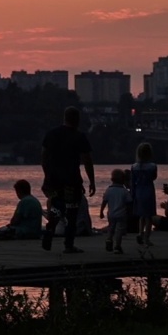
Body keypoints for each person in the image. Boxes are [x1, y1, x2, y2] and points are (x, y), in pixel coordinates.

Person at [41, 107, 96, 254]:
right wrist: (92, 181)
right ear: (77, 120)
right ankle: (68, 245)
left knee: (57, 206)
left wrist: (47, 176)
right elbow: (87, 160)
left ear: (64, 118)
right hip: (72, 180)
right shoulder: (79, 137)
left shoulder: (51, 134)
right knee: (72, 213)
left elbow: (44, 157)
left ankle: (51, 225)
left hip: (54, 179)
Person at [130, 143, 158, 247]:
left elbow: (132, 182)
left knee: (141, 215)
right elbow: (154, 177)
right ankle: (147, 238)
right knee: (149, 216)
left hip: (139, 191)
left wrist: (132, 194)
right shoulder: (153, 166)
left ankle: (140, 233)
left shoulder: (134, 167)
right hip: (149, 190)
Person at [100, 169, 131, 254]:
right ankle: (117, 246)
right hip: (121, 214)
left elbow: (104, 201)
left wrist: (101, 211)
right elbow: (129, 202)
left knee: (111, 228)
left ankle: (109, 240)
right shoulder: (124, 191)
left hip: (111, 214)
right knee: (119, 231)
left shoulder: (109, 190)